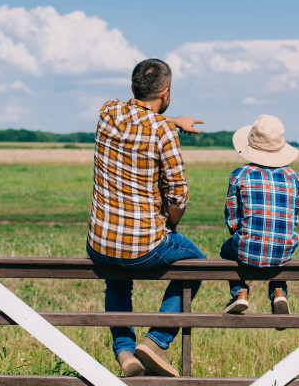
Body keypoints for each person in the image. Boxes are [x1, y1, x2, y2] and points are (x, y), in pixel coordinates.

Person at [86, 58, 206, 377]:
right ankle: (155, 342)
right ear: (165, 92)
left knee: (117, 283)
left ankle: (125, 352)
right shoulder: (163, 131)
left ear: (132, 88)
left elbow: (140, 114)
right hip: (144, 247)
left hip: (100, 244)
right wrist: (172, 225)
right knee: (198, 265)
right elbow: (178, 195)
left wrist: (174, 120)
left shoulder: (107, 112)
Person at [220, 114, 299, 318]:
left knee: (226, 249)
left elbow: (231, 218)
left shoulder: (240, 175)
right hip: (283, 251)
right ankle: (278, 291)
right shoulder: (294, 177)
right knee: (281, 245)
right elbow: (294, 219)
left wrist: (243, 234)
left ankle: (239, 292)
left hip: (246, 249)